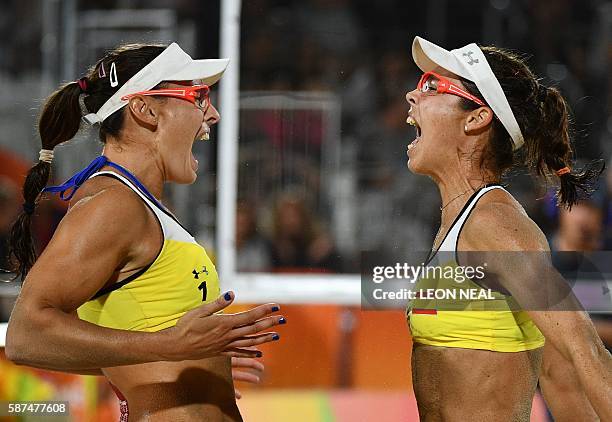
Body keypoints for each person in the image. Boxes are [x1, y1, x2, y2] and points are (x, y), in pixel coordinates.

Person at [5, 42, 286, 422]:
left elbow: (125, 329)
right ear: (146, 109)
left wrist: (192, 362)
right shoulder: (113, 205)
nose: (214, 113)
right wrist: (168, 347)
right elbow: (26, 337)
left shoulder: (133, 203)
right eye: (199, 96)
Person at [404, 36, 612, 421]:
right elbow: (557, 372)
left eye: (431, 86)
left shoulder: (495, 223)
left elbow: (586, 351)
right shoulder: (466, 220)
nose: (412, 96)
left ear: (476, 117)